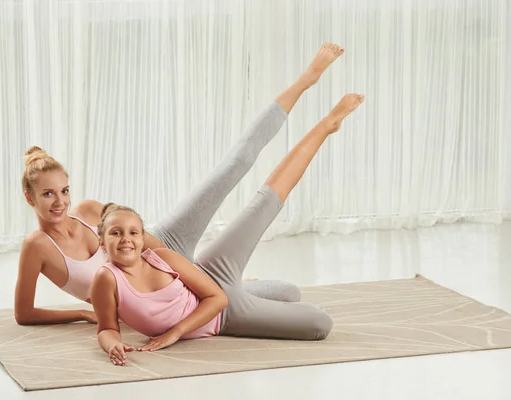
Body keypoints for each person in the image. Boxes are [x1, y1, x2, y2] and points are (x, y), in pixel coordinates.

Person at [14, 43, 347, 325]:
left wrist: (185, 267)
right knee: (288, 292)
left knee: (234, 164)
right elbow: (23, 313)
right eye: (47, 195)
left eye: (64, 191)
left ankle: (306, 80)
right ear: (30, 198)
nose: (60, 202)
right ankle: (231, 283)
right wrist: (82, 315)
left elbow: (134, 231)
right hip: (167, 289)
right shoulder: (37, 248)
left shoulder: (86, 210)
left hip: (167, 242)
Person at [92, 92, 365, 365]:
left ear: (142, 240)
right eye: (116, 233)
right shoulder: (106, 279)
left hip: (216, 287)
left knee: (262, 204)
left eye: (133, 233)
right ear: (102, 242)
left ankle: (327, 125)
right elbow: (107, 329)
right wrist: (112, 346)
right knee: (317, 320)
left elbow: (217, 297)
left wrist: (175, 333)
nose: (126, 240)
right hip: (225, 318)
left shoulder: (161, 257)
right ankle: (260, 294)